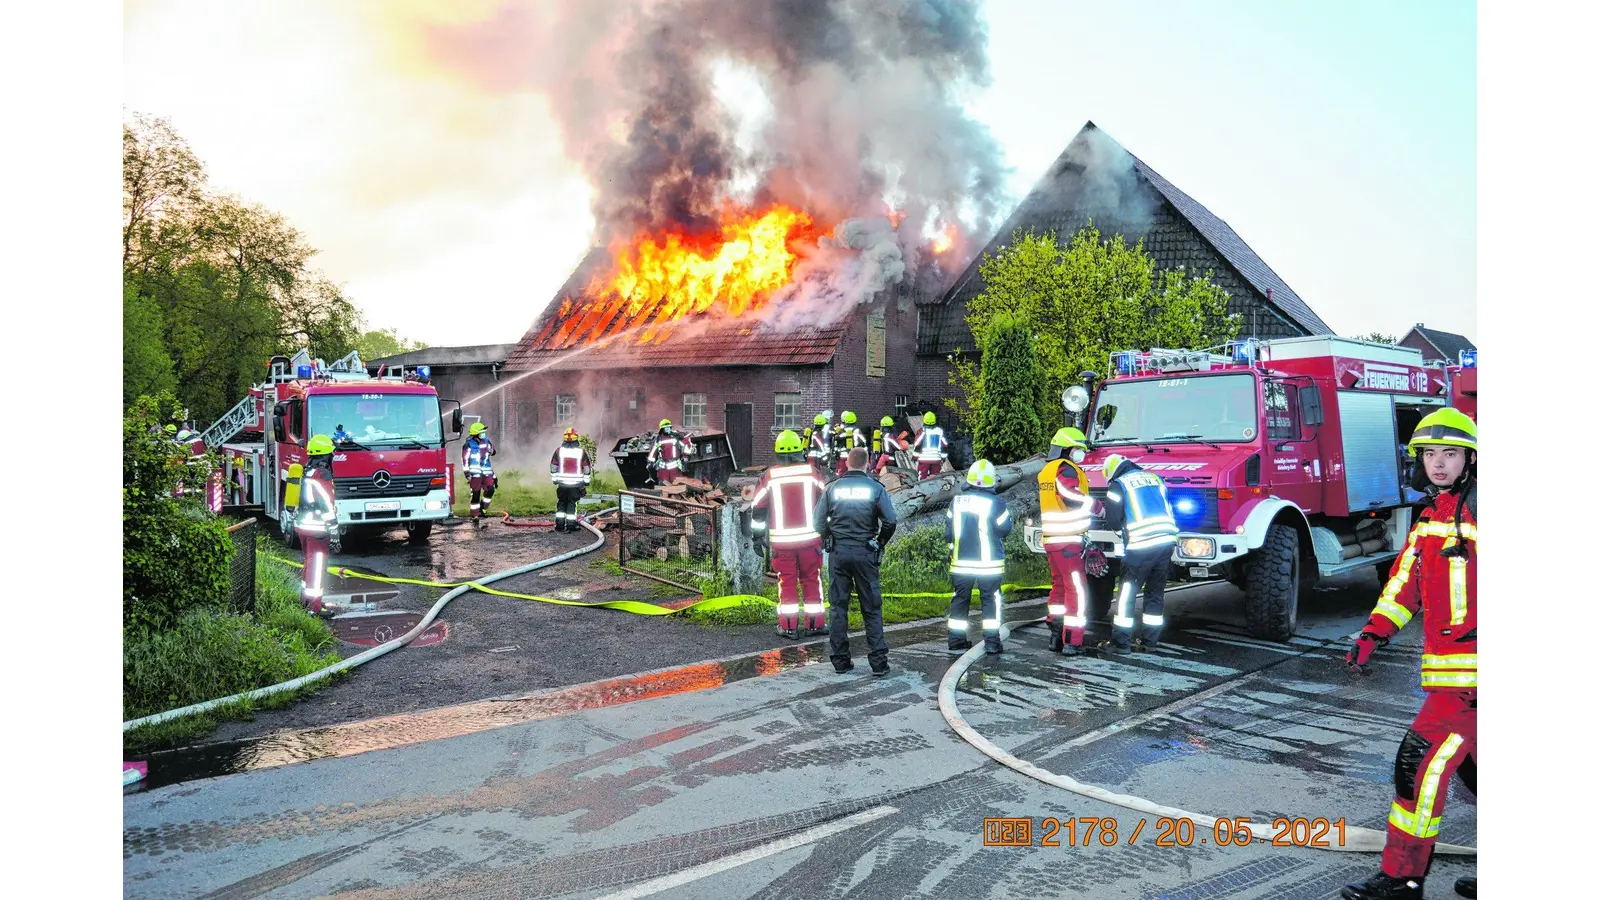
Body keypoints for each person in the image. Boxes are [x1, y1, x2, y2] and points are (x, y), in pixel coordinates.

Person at [1340, 408, 1478, 900]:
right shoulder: (1433, 516)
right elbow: (1405, 583)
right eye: (1430, 454)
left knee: (1417, 767)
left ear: (1470, 459)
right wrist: (1373, 633)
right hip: (1455, 677)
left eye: (1451, 454)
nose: (1438, 463)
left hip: (1470, 683)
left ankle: (1403, 878)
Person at [814, 447, 898, 675]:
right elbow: (890, 521)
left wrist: (829, 537)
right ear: (867, 464)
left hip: (839, 553)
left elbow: (818, 522)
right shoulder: (876, 488)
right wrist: (879, 543)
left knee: (838, 607)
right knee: (871, 607)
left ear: (847, 464)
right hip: (865, 552)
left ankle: (840, 661)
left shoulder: (832, 488)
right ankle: (878, 663)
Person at [1096, 452, 1177, 655]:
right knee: (1155, 593)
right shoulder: (1155, 478)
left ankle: (1120, 643)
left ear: (1111, 472)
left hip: (1141, 545)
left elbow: (1113, 521)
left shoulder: (1118, 485)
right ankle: (1150, 642)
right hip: (1166, 541)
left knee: (1127, 594)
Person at [750, 430, 829, 638]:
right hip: (810, 540)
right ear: (799, 451)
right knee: (812, 580)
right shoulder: (812, 473)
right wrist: (827, 532)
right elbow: (826, 502)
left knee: (787, 583)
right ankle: (815, 625)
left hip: (782, 543)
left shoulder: (769, 476)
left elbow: (758, 508)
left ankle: (788, 627)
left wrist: (757, 537)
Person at [1039, 428, 1097, 654]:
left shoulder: (1047, 470)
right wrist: (1095, 506)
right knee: (1076, 590)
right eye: (1078, 449)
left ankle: (1056, 635)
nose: (1081, 454)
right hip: (1069, 541)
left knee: (1060, 587)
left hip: (1053, 540)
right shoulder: (1066, 469)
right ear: (1067, 449)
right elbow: (1070, 495)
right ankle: (1073, 641)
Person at [946, 459, 1013, 655]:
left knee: (960, 599)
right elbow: (1005, 529)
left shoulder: (956, 502)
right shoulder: (996, 503)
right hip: (988, 565)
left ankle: (956, 640)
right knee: (990, 600)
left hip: (960, 564)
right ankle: (992, 643)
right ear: (991, 481)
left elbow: (948, 534)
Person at [293, 434, 341, 618]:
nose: (333, 457)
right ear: (326, 455)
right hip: (317, 529)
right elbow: (326, 503)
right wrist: (334, 529)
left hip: (303, 526)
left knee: (309, 564)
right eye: (331, 454)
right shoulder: (322, 474)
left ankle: (306, 602)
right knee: (317, 568)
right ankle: (315, 608)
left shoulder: (308, 471)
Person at [549, 427, 593, 533]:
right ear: (576, 438)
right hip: (575, 484)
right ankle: (570, 526)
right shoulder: (581, 452)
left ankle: (559, 526)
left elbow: (553, 467)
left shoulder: (559, 451)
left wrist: (555, 480)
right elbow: (587, 469)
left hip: (562, 484)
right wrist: (586, 482)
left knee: (561, 503)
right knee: (572, 504)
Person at [462, 422, 497, 526]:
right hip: (475, 474)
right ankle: (475, 515)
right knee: (476, 495)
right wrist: (467, 474)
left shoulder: (486, 441)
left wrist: (492, 451)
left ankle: (483, 509)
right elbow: (465, 460)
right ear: (476, 433)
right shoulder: (468, 445)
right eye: (482, 432)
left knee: (490, 490)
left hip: (487, 472)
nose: (484, 433)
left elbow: (493, 452)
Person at [646, 418, 692, 485]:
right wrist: (650, 462)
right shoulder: (658, 439)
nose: (668, 429)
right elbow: (653, 452)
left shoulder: (676, 437)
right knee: (662, 488)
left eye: (669, 427)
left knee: (677, 487)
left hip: (675, 469)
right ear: (662, 429)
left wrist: (685, 456)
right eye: (665, 428)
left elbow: (687, 445)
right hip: (663, 469)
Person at [911, 411, 948, 480]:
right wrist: (943, 457)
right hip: (936, 459)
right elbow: (944, 445)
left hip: (924, 459)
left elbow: (917, 444)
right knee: (935, 478)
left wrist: (915, 456)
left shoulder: (922, 431)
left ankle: (922, 486)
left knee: (922, 478)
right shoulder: (940, 431)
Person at [831, 411, 867, 477]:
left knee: (841, 473)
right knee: (853, 473)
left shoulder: (841, 431)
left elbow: (836, 443)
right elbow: (863, 442)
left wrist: (836, 453)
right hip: (853, 456)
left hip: (842, 457)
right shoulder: (857, 430)